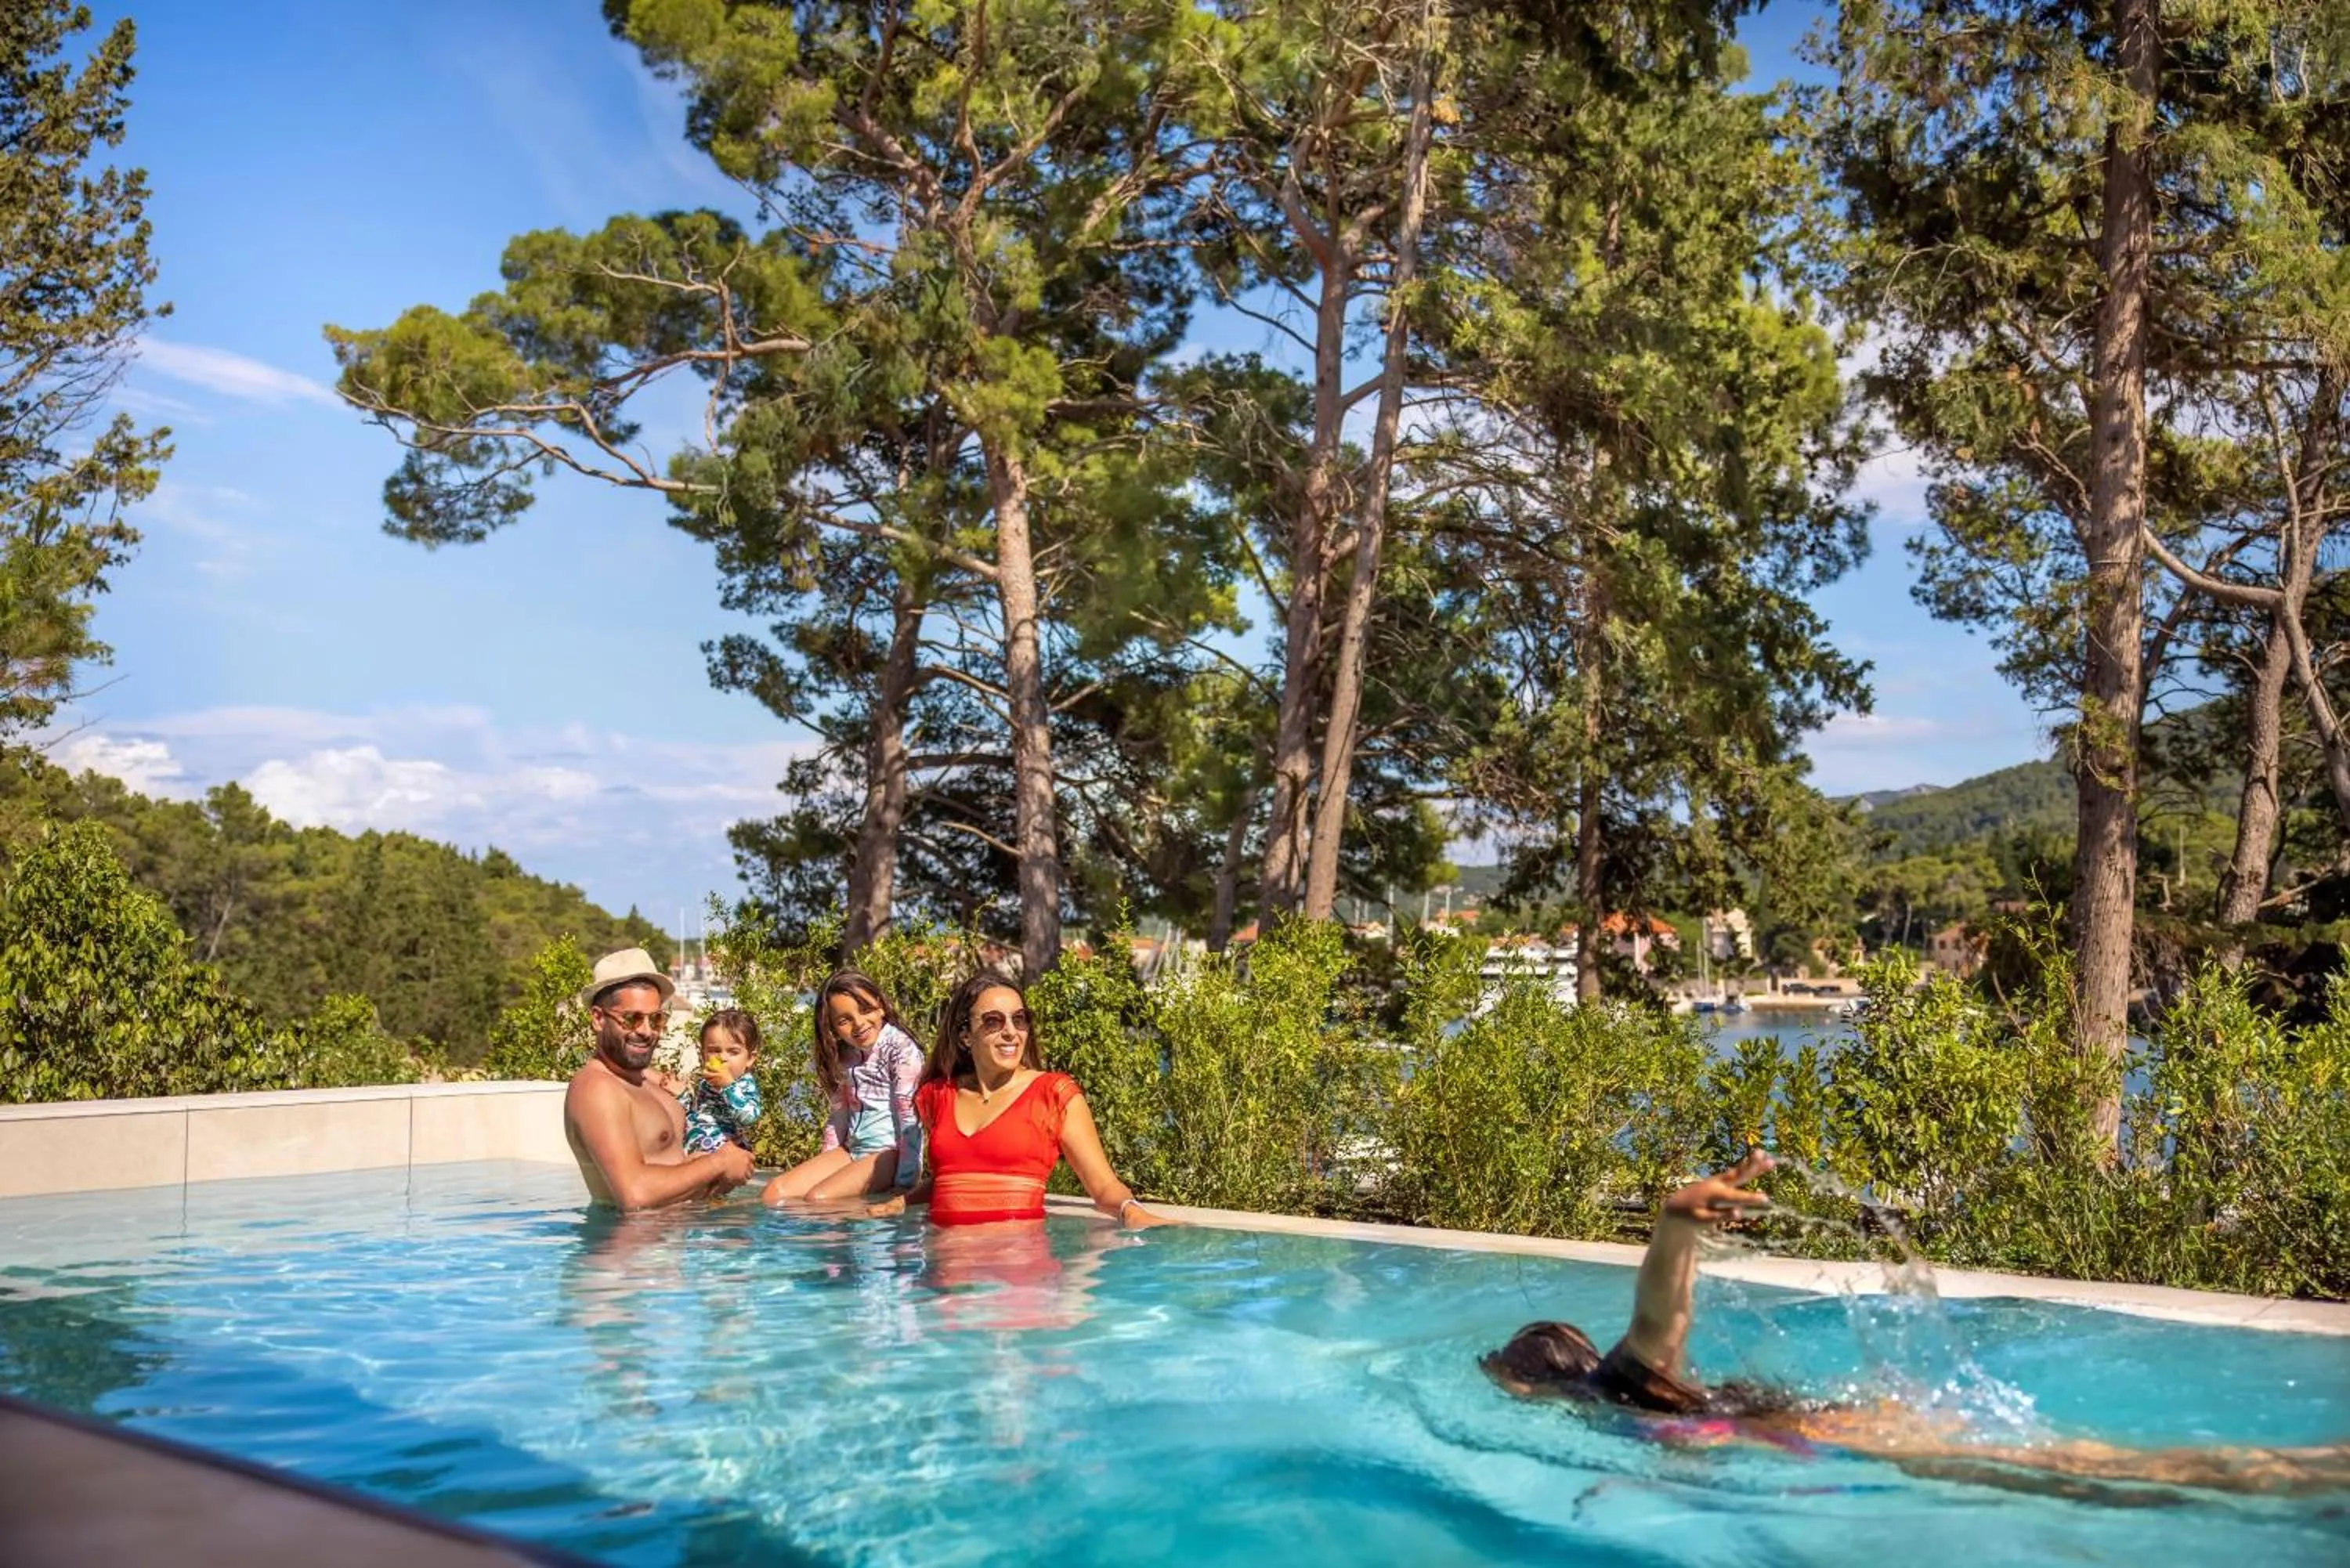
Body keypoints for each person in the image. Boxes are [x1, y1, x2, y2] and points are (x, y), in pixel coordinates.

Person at [1482, 1150, 2350, 1499]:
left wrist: (1675, 1225)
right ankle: (2296, 1473)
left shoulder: (1621, 1388)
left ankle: (2306, 1476)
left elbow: (1659, 1319)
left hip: (1841, 1430)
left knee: (2086, 1471)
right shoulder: (1624, 1404)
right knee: (2079, 1471)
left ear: (1537, 1378)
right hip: (1832, 1424)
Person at [869, 971, 1170, 1228]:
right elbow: (955, 1176)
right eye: (993, 1022)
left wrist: (1130, 1210)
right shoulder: (937, 1095)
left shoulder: (1054, 1094)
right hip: (945, 1271)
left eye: (1020, 1019)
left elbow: (1103, 1186)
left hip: (1017, 1268)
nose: (1011, 1033)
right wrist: (902, 1202)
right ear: (965, 1036)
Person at [563, 947, 757, 1211]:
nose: (646, 1031)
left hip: (682, 1239)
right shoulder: (597, 1088)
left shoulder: (649, 1081)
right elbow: (635, 1194)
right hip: (639, 1248)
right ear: (598, 1019)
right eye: (631, 1019)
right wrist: (717, 1163)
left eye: (656, 1019)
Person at [762, 970, 924, 1202]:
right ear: (832, 1027)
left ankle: (852, 1231)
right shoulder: (845, 1056)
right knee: (774, 1193)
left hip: (888, 1155)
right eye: (844, 1020)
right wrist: (828, 1165)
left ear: (880, 1005)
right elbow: (838, 1116)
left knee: (820, 1199)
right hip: (853, 1150)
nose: (859, 1024)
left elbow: (910, 1117)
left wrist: (905, 1184)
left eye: (865, 1009)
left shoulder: (900, 1049)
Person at [679, 1008, 765, 1156]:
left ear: (750, 1059)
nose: (723, 1057)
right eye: (714, 1050)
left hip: (728, 1158)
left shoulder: (744, 1084)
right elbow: (696, 1114)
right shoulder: (706, 1083)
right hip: (695, 1157)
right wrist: (681, 1096)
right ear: (703, 1055)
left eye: (733, 1052)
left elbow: (749, 1117)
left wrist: (728, 1086)